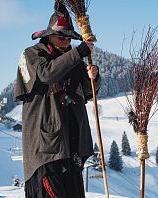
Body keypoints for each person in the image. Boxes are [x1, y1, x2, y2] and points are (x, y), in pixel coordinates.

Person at [14, 2, 101, 197]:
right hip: (46, 151)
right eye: (61, 37)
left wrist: (93, 77)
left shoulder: (72, 59)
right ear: (48, 36)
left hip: (72, 146)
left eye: (69, 39)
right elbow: (46, 75)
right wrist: (78, 52)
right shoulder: (32, 54)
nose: (66, 42)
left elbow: (87, 92)